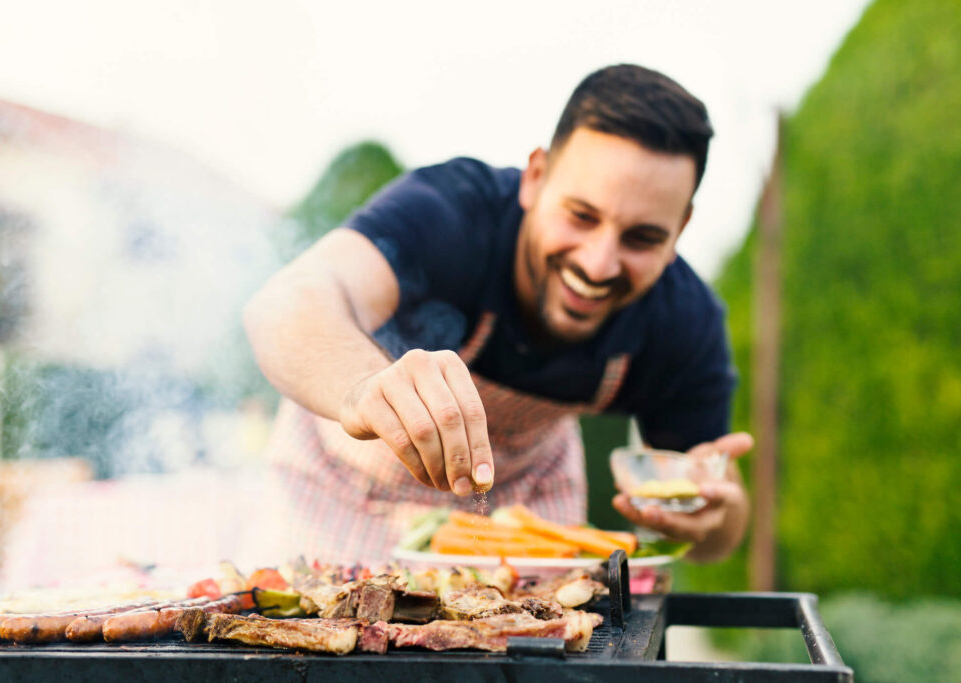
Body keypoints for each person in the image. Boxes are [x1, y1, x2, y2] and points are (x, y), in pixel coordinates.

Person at [243, 64, 752, 566]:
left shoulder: (684, 320)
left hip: (523, 513)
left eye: (642, 238)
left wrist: (710, 518)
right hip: (342, 494)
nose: (598, 264)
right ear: (535, 178)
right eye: (581, 216)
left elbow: (718, 534)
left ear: (680, 228)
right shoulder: (452, 212)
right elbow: (286, 303)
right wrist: (363, 389)